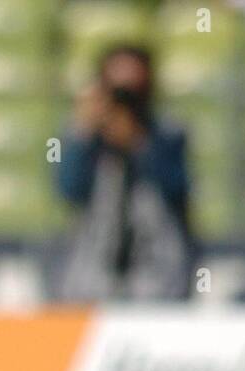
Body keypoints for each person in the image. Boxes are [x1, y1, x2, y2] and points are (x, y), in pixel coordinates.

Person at [56, 44, 193, 301]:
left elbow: (177, 188)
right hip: (93, 274)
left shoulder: (168, 131)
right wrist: (85, 134)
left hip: (157, 274)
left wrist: (139, 144)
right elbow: (69, 189)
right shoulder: (85, 134)